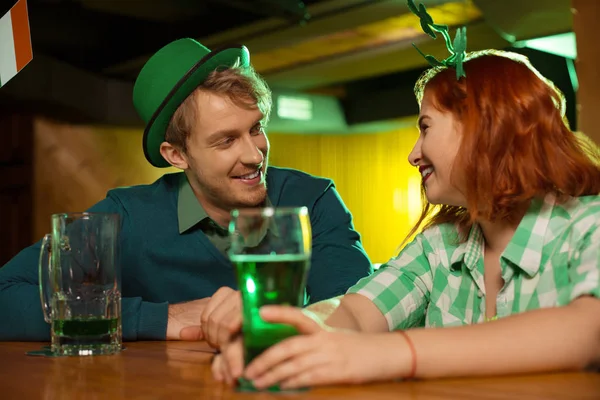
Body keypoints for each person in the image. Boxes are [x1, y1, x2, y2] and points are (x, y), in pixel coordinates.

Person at [212, 47, 600, 388]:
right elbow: (355, 310)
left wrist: (390, 354)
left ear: (485, 129)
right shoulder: (440, 244)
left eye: (425, 127)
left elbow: (586, 331)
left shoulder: (589, 226)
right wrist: (286, 336)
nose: (413, 154)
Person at [0, 38, 372, 343]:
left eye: (256, 128)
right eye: (226, 141)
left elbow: (362, 309)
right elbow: (5, 293)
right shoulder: (128, 217)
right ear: (177, 154)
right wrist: (162, 318)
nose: (254, 153)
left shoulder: (313, 198)